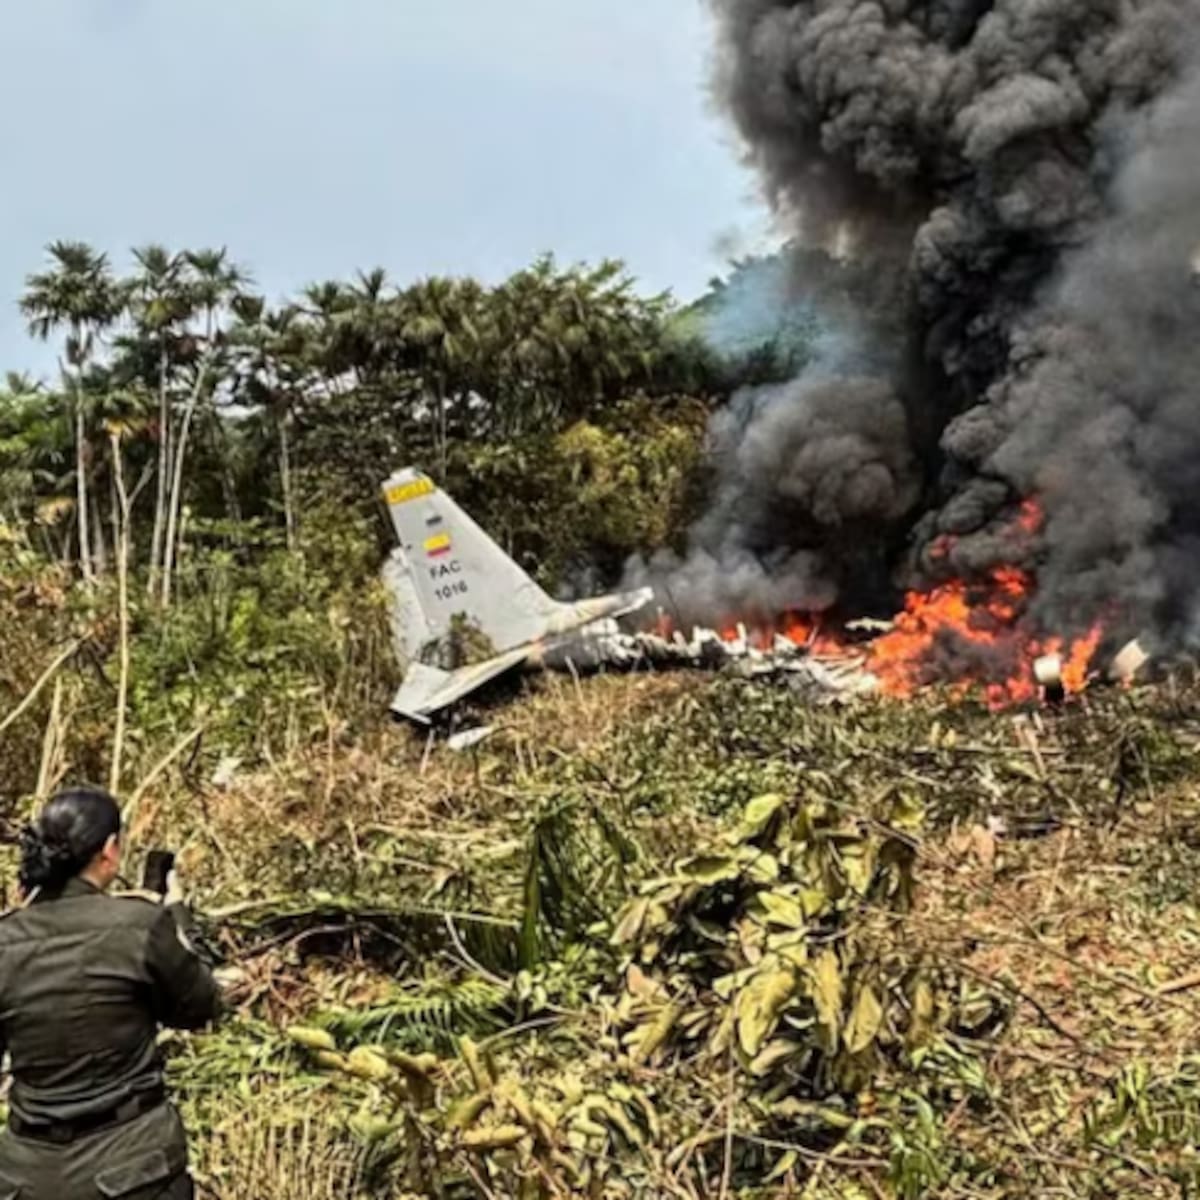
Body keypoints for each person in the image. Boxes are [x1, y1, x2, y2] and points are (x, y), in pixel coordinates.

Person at [0, 786, 221, 1199]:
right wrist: (176, 917)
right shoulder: (139, 926)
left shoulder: (5, 938)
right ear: (109, 850)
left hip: (26, 1176)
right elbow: (201, 1006)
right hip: (134, 1166)